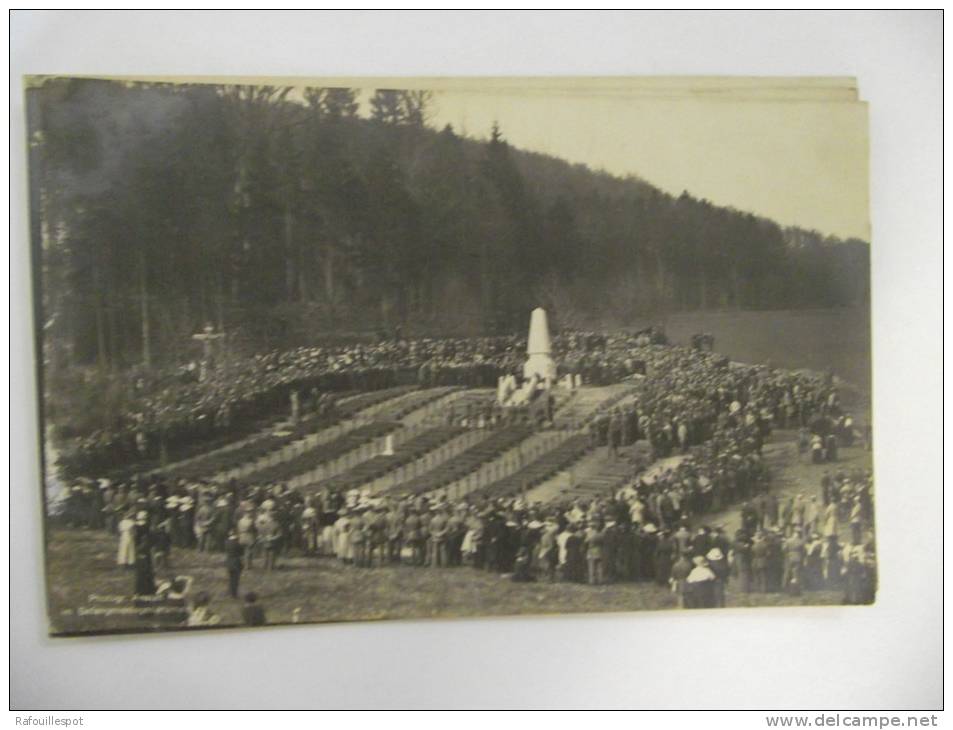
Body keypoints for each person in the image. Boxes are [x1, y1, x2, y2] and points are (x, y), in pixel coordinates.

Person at [132, 511, 155, 596]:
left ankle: (139, 589)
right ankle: (147, 589)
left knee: (140, 571)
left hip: (138, 550)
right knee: (147, 570)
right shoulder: (147, 528)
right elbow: (151, 540)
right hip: (145, 550)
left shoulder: (136, 527)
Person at [225, 531, 243, 599]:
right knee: (235, 579)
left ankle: (230, 592)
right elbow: (241, 552)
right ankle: (234, 594)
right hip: (236, 562)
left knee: (230, 578)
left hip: (228, 561)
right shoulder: (237, 543)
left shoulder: (226, 542)